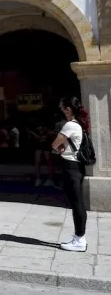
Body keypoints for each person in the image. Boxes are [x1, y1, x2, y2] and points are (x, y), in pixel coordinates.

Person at [51, 97, 90, 252]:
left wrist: (57, 148)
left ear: (68, 109)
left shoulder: (69, 125)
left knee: (76, 203)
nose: (61, 110)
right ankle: (79, 237)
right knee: (77, 203)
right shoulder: (79, 124)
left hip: (70, 167)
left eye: (62, 108)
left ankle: (79, 239)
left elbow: (55, 144)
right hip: (77, 166)